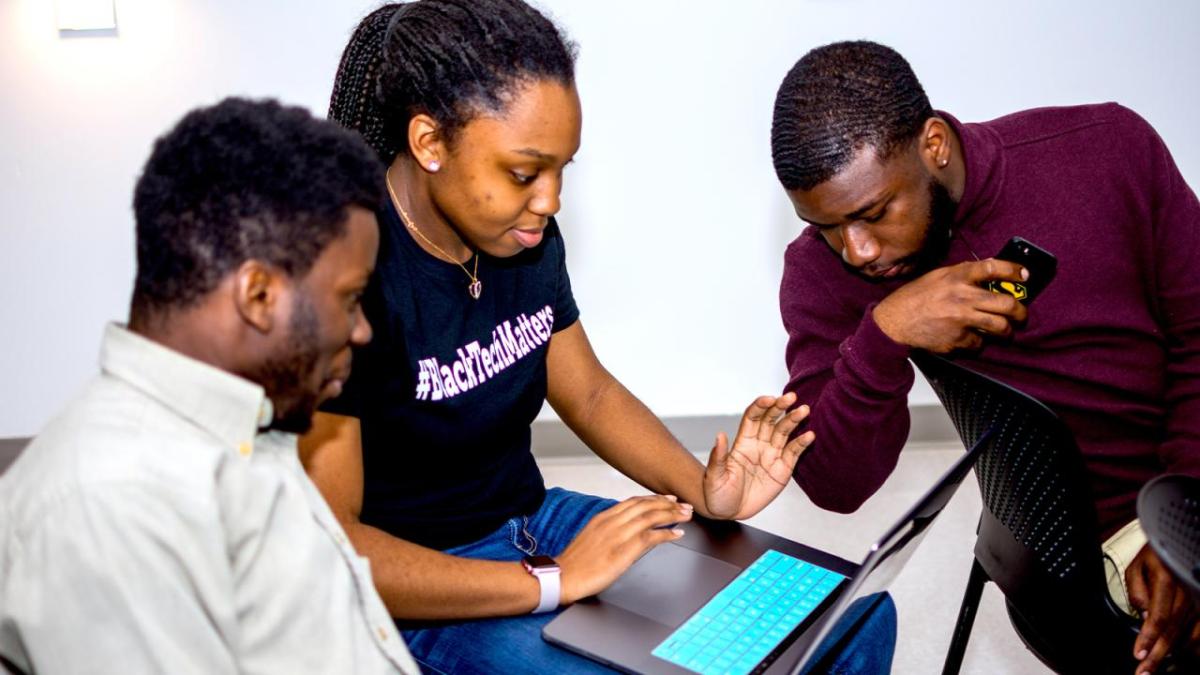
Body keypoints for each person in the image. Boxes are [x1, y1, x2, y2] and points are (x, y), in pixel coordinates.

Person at [300, 2, 897, 673]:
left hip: (534, 522)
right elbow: (336, 548)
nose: (550, 200)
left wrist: (707, 491)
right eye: (525, 173)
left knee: (848, 617)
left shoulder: (520, 237)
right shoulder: (342, 279)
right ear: (429, 143)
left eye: (563, 169)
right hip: (423, 589)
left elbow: (586, 392)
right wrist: (553, 581)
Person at [770, 40, 1200, 674]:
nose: (856, 250)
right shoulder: (821, 272)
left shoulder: (1108, 148)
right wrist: (884, 332)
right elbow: (835, 485)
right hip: (1091, 543)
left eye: (873, 213)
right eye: (827, 225)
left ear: (935, 145)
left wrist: (1187, 512)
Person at [0, 98, 419, 674]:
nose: (363, 330)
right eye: (350, 300)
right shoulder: (113, 504)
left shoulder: (246, 425)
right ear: (258, 297)